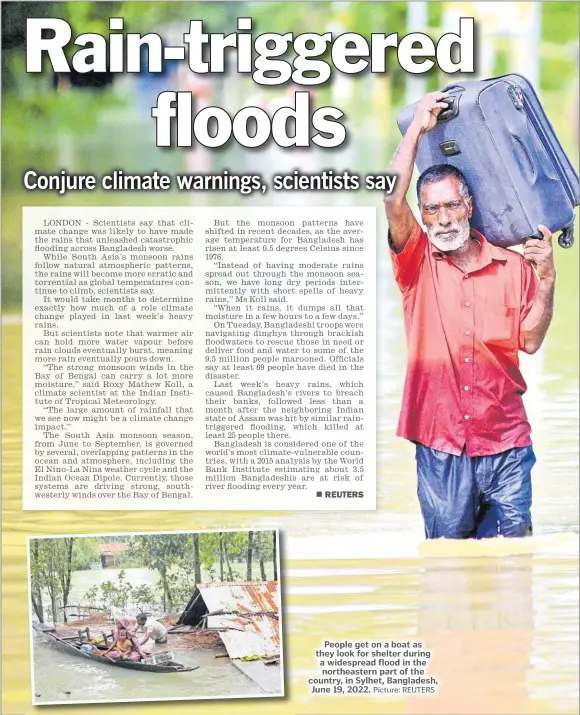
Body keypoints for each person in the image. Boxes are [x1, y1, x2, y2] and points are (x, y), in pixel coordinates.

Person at [384, 91, 556, 540]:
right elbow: (391, 198)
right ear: (421, 216)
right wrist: (418, 129)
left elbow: (531, 340)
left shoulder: (514, 265)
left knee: (512, 563)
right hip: (442, 448)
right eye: (431, 209)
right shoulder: (415, 263)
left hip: (507, 445)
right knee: (447, 567)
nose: (442, 219)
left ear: (469, 205)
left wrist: (548, 281)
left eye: (451, 205)